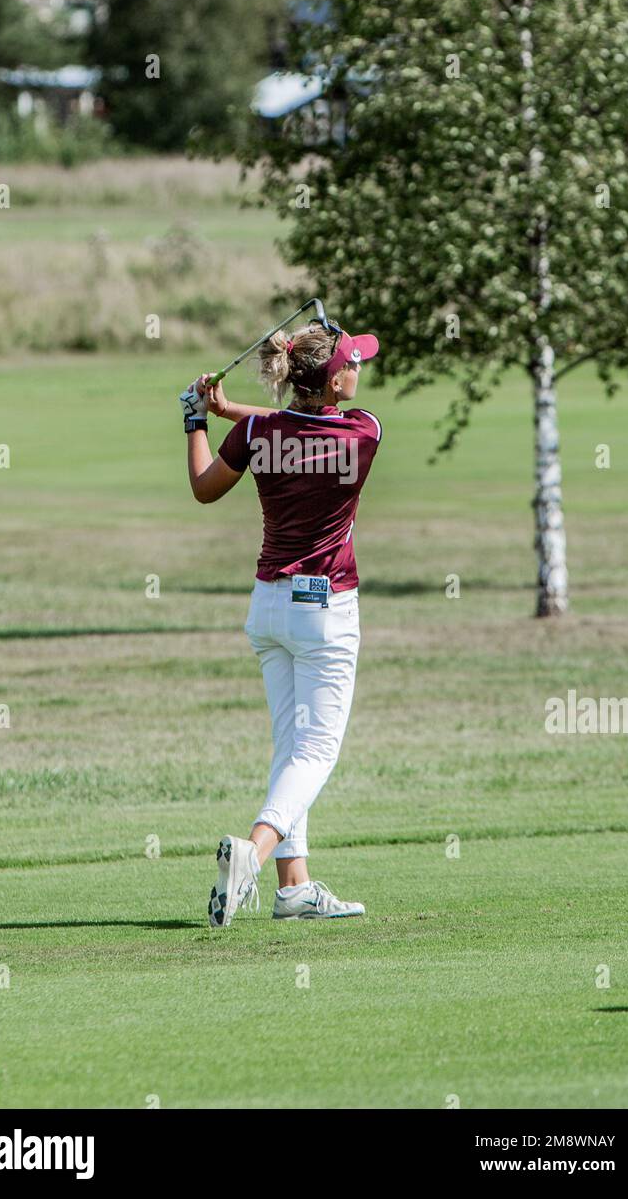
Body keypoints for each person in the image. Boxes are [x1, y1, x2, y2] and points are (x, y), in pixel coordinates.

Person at [181, 317, 382, 926]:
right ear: (331, 378)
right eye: (352, 360)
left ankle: (294, 888)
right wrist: (227, 412)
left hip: (267, 606)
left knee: (291, 746)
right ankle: (256, 851)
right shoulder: (364, 431)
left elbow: (203, 488)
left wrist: (197, 418)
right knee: (317, 750)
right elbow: (293, 426)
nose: (359, 367)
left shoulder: (258, 433)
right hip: (326, 610)